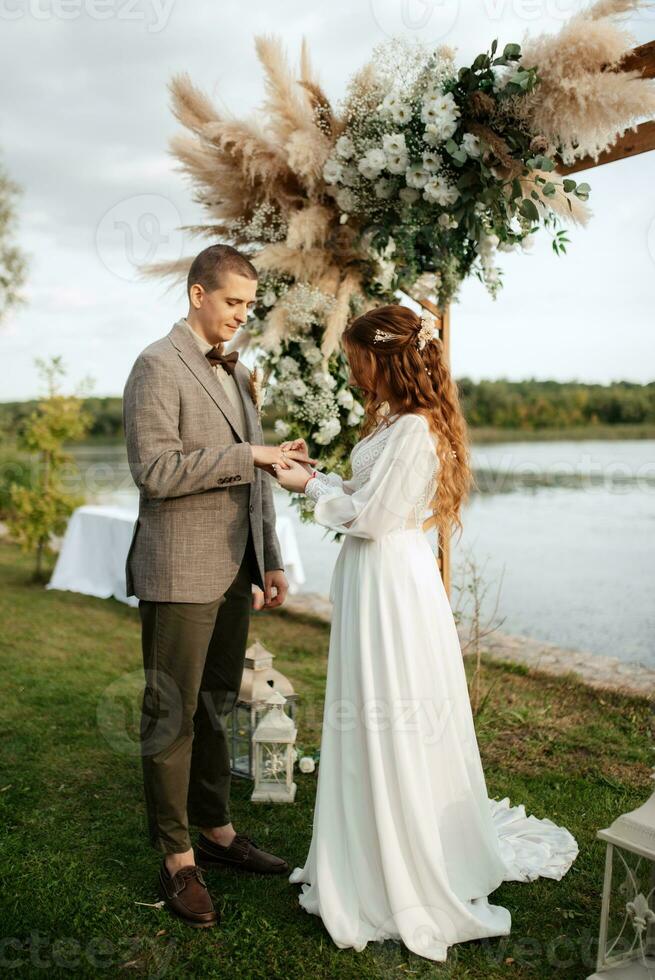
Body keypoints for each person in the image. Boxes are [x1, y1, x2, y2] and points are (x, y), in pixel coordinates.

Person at [273, 303, 578, 962]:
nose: (354, 375)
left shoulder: (414, 430)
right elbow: (366, 498)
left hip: (390, 585)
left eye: (359, 362)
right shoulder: (397, 424)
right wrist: (315, 476)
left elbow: (375, 520)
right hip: (378, 577)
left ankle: (400, 864)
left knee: (394, 715)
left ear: (386, 360)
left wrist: (304, 488)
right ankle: (369, 842)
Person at [122, 244, 315, 929]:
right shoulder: (155, 364)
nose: (241, 315)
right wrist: (248, 454)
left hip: (235, 569)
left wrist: (269, 557)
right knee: (170, 712)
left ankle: (216, 829)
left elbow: (259, 473)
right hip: (178, 567)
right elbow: (155, 472)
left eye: (248, 305)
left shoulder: (238, 372)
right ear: (198, 293)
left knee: (213, 706)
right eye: (232, 301)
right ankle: (177, 859)